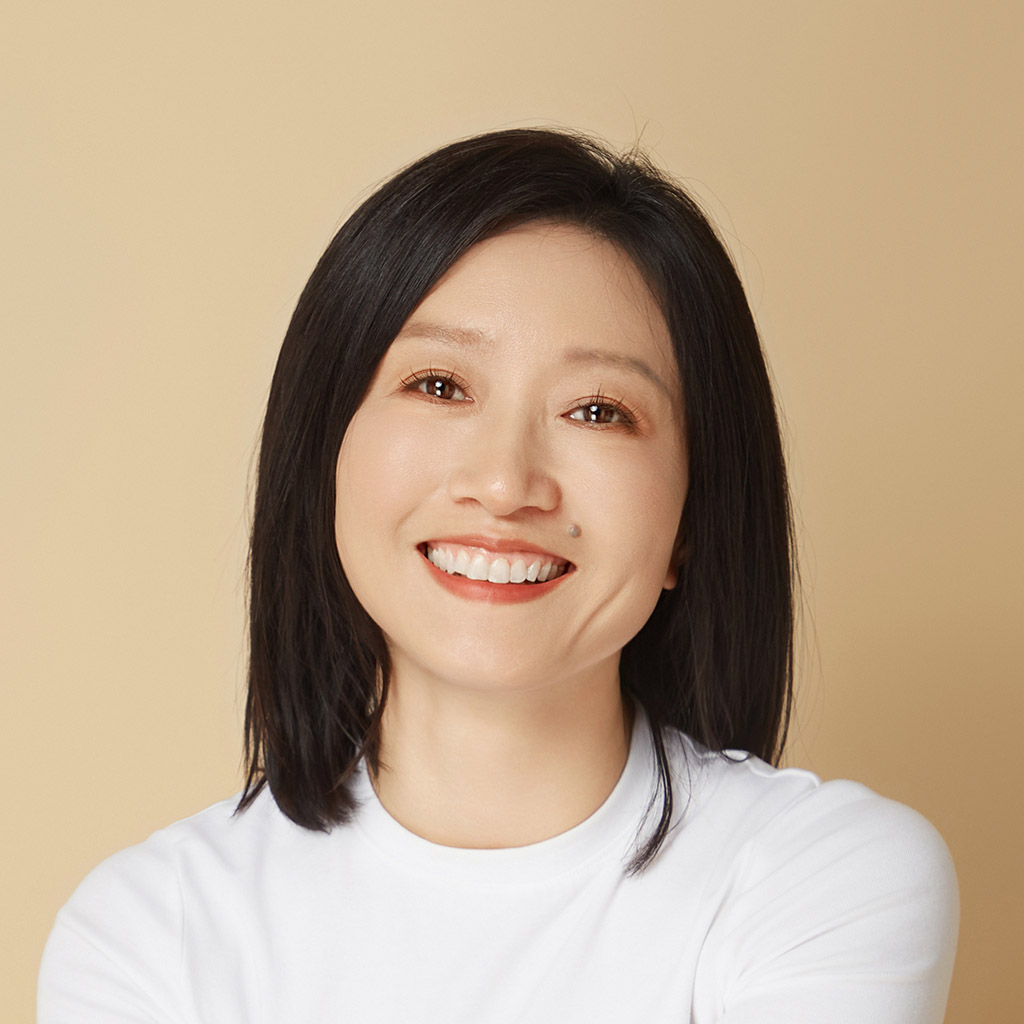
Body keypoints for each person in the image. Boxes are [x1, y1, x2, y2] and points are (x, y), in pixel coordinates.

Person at [38, 128, 958, 1022]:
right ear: (326, 455)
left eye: (599, 410)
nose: (505, 483)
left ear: (690, 521)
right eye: (440, 386)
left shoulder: (823, 879)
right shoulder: (148, 935)